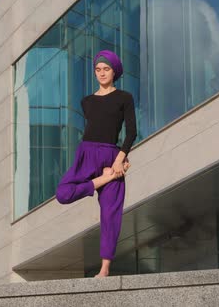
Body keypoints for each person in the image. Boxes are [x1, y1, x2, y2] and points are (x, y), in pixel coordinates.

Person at [55, 49, 137, 278]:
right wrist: (109, 174)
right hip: (87, 153)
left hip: (113, 156)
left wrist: (120, 161)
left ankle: (105, 268)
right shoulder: (87, 102)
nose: (101, 73)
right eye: (98, 69)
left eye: (106, 69)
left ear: (114, 72)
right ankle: (104, 179)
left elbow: (131, 132)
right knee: (62, 193)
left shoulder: (124, 98)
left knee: (111, 213)